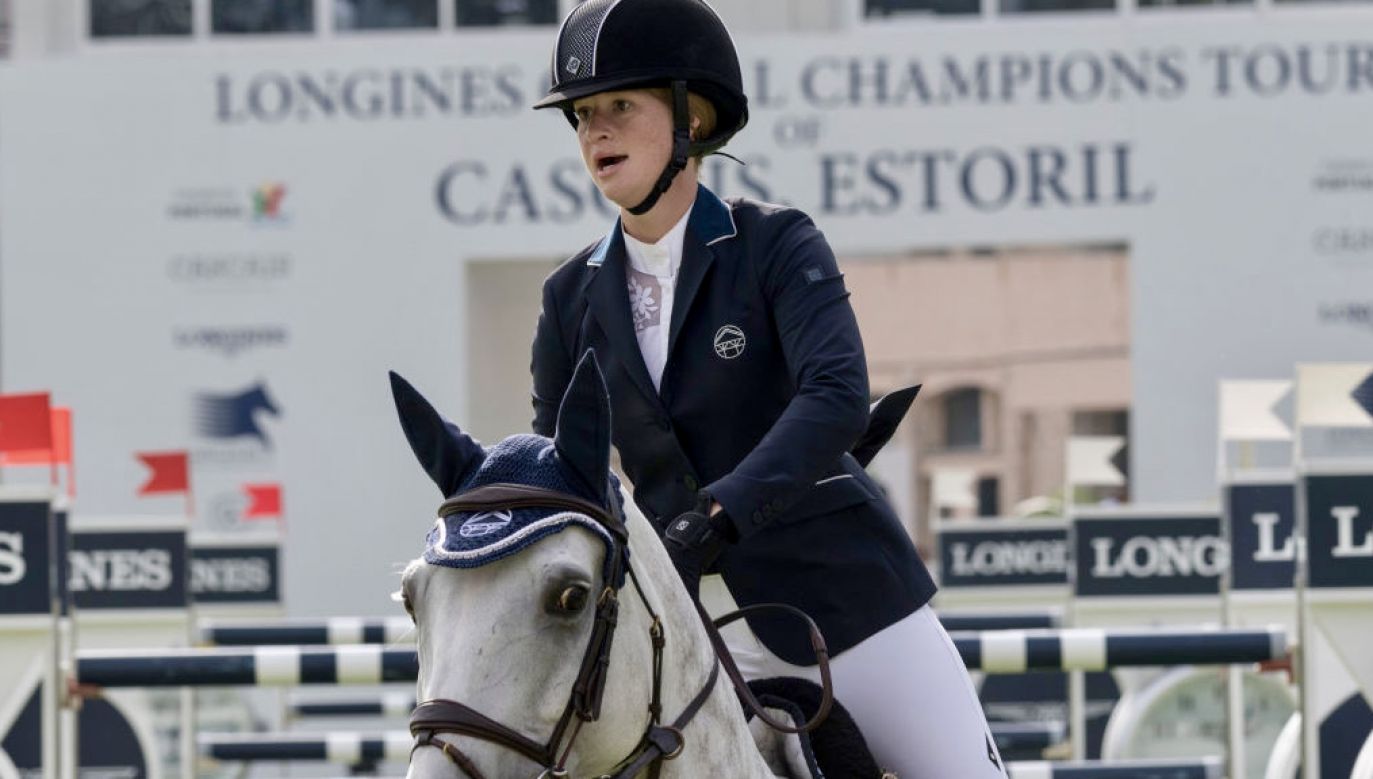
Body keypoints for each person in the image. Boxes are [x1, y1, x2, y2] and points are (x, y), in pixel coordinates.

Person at [529, 1, 1007, 775]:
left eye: (620, 106)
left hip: (844, 604)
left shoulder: (774, 244)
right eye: (582, 114)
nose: (595, 132)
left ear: (694, 116)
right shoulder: (567, 297)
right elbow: (560, 458)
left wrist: (717, 513)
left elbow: (835, 393)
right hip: (690, 635)